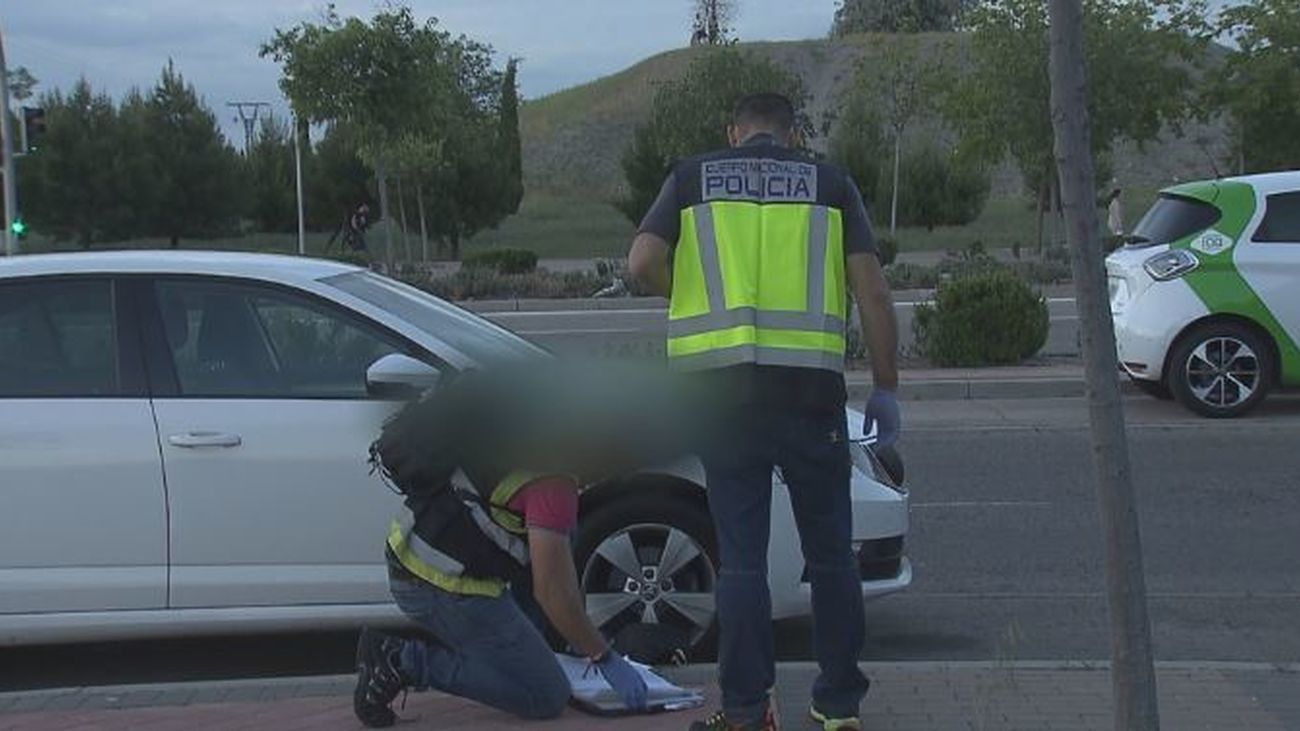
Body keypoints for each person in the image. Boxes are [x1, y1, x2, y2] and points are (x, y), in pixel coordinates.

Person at [628, 93, 901, 731]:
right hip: (809, 397)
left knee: (743, 559)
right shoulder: (832, 185)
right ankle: (837, 707)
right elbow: (874, 293)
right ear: (793, 134)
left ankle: (748, 709)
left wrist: (686, 291)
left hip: (721, 396)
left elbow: (640, 261)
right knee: (832, 555)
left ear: (733, 131)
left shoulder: (691, 178)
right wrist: (885, 385)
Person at [353, 373, 649, 728]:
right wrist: (603, 656)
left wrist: (571, 636)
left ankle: (523, 652)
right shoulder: (552, 484)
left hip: (419, 556)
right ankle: (402, 661)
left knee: (556, 553)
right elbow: (552, 591)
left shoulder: (530, 435)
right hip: (439, 585)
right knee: (544, 694)